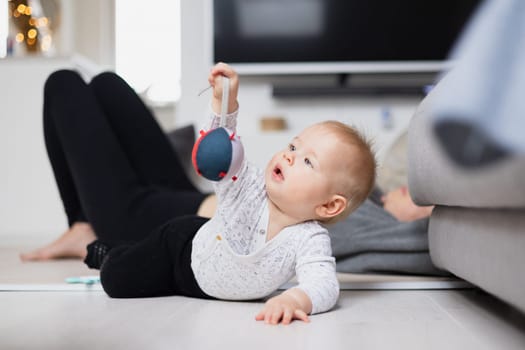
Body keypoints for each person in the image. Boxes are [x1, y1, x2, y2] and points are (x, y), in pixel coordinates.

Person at [21, 62, 376, 324]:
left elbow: (323, 283)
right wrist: (225, 105)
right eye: (292, 146)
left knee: (63, 83)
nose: (288, 155)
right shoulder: (251, 186)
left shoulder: (309, 239)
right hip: (188, 234)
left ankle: (96, 239)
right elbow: (216, 154)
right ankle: (89, 229)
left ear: (331, 205)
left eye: (307, 162)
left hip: (173, 227)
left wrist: (298, 298)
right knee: (107, 83)